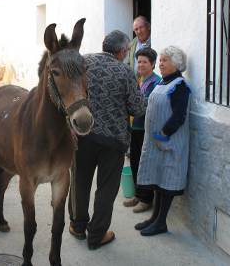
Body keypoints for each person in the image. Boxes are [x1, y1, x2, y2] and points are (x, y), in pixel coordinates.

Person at [68, 30, 146, 250]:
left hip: (83, 136)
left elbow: (65, 94)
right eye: (127, 51)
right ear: (122, 51)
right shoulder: (125, 71)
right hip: (113, 141)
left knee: (80, 182)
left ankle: (78, 225)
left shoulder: (82, 63)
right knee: (106, 189)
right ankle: (97, 235)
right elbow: (137, 108)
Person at [136, 46, 191, 236]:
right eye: (160, 60)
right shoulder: (163, 83)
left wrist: (164, 133)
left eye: (164, 60)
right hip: (157, 144)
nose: (160, 63)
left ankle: (161, 222)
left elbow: (179, 115)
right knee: (158, 180)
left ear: (176, 64)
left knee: (167, 182)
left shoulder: (180, 86)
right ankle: (154, 218)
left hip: (169, 143)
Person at [123, 48, 161, 213]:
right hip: (135, 128)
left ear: (152, 64)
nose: (141, 64)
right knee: (134, 161)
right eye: (139, 61)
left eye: (145, 61)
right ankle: (138, 195)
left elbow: (148, 106)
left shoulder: (156, 82)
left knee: (144, 163)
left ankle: (146, 199)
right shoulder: (140, 79)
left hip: (146, 129)